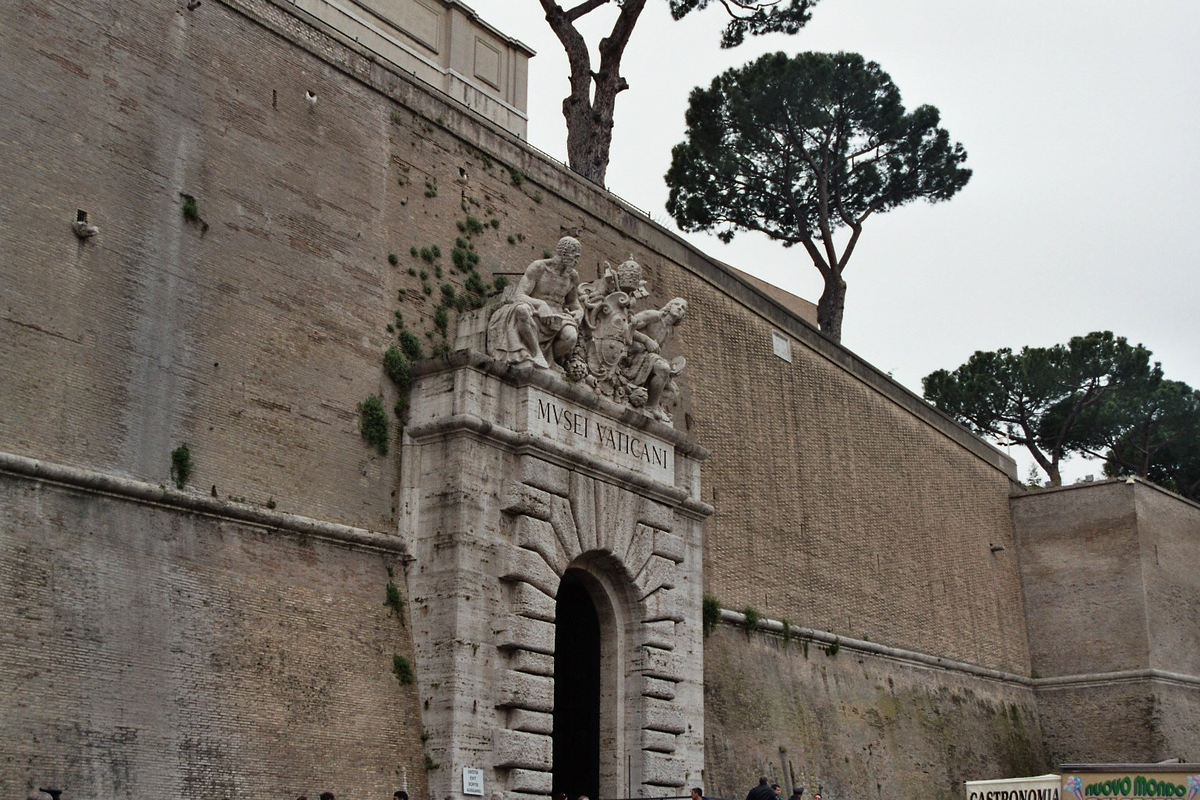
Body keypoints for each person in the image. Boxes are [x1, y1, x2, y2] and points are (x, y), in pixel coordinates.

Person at [487, 236, 584, 370]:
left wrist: (580, 312)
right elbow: (518, 295)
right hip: (536, 312)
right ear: (564, 253)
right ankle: (536, 353)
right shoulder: (540, 267)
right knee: (521, 310)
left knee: (571, 337)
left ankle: (550, 361)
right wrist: (541, 305)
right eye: (575, 256)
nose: (577, 261)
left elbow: (574, 302)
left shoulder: (572, 277)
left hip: (557, 317)